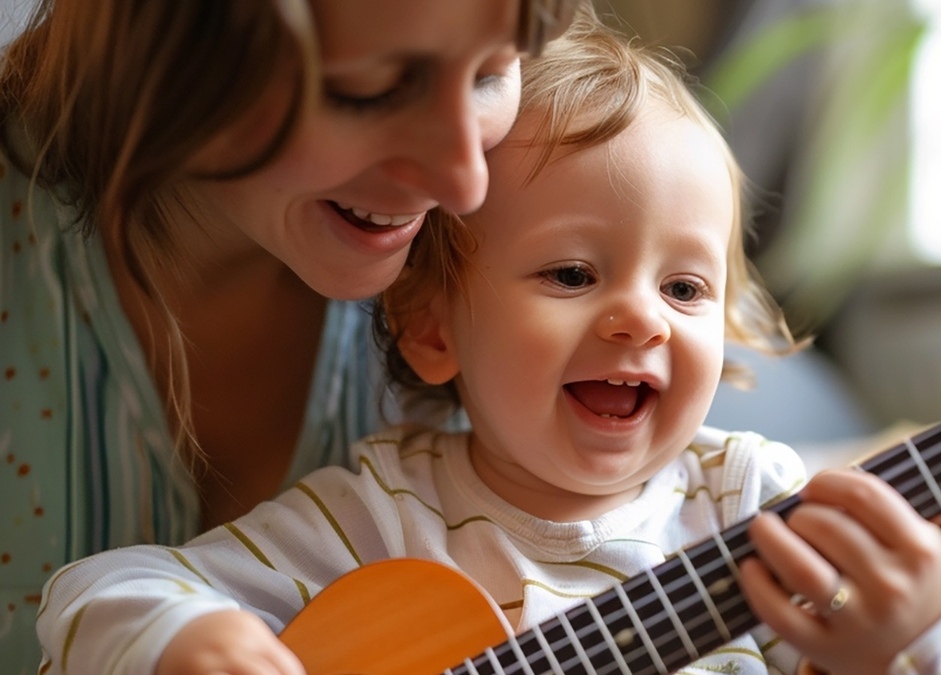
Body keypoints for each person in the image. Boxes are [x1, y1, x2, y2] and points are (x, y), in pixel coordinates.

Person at [35, 10, 941, 675]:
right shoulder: (380, 513)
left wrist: (918, 635)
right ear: (430, 327)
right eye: (572, 276)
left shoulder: (752, 502)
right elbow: (108, 587)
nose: (641, 319)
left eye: (687, 287)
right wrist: (187, 640)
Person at [0, 0, 582, 671]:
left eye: (491, 72)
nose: (462, 180)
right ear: (169, 48)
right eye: (367, 90)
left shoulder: (520, 233)